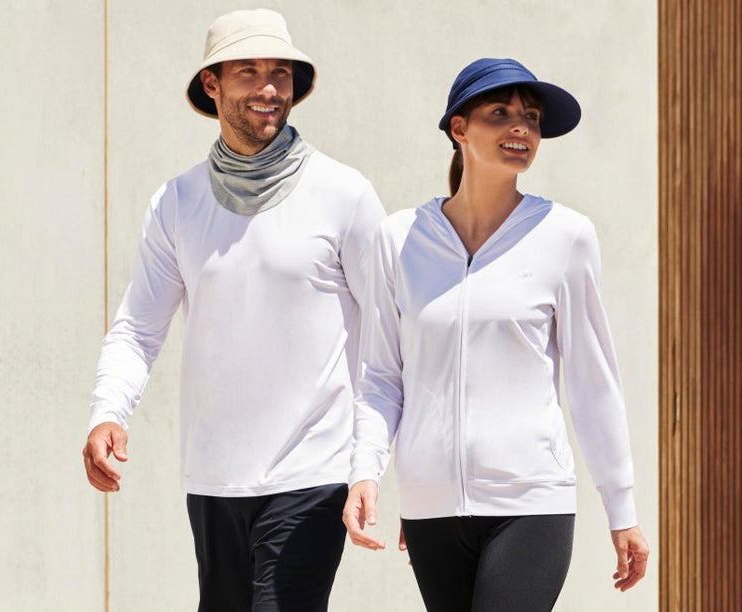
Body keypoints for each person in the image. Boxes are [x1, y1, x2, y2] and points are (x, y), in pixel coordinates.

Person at [81, 9, 385, 611]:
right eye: (249, 71)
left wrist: (370, 464)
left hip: (311, 472)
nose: (269, 89)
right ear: (212, 84)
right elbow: (139, 327)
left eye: (281, 73)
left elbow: (392, 340)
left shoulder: (344, 194)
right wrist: (106, 411)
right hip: (213, 476)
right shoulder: (178, 202)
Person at [342, 58, 649, 610]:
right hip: (432, 507)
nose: (521, 129)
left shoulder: (565, 236)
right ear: (459, 128)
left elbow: (592, 382)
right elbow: (382, 376)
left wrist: (621, 509)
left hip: (531, 503)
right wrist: (365, 471)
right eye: (500, 113)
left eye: (531, 118)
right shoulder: (399, 239)